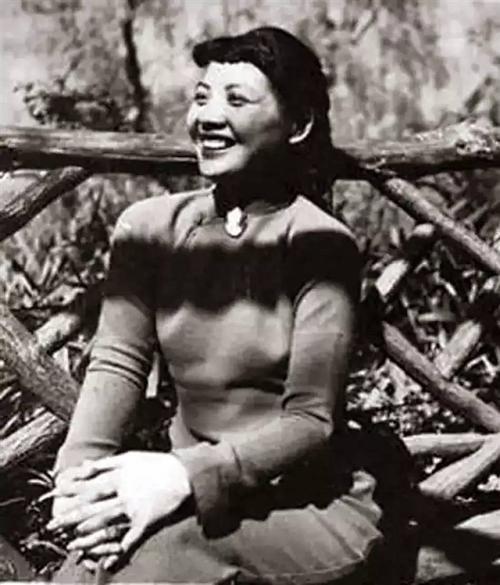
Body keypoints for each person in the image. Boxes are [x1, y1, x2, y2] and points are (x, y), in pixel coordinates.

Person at [50, 26, 387, 584]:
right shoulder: (148, 227)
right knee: (91, 561)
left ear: (297, 125)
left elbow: (310, 421)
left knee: (152, 561)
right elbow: (117, 362)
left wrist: (182, 476)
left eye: (236, 100)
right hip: (179, 496)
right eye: (202, 96)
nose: (207, 116)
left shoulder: (320, 244)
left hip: (303, 505)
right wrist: (77, 481)